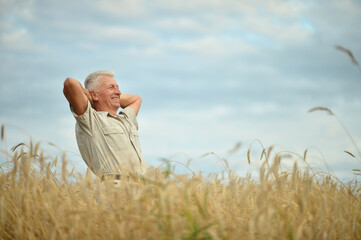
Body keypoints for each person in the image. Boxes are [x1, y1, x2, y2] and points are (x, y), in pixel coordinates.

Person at [63, 70, 146, 182]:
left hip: (141, 189)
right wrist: (89, 95)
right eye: (111, 87)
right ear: (94, 94)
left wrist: (112, 96)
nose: (118, 92)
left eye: (118, 87)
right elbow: (70, 84)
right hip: (115, 188)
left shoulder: (126, 118)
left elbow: (136, 99)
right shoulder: (91, 120)